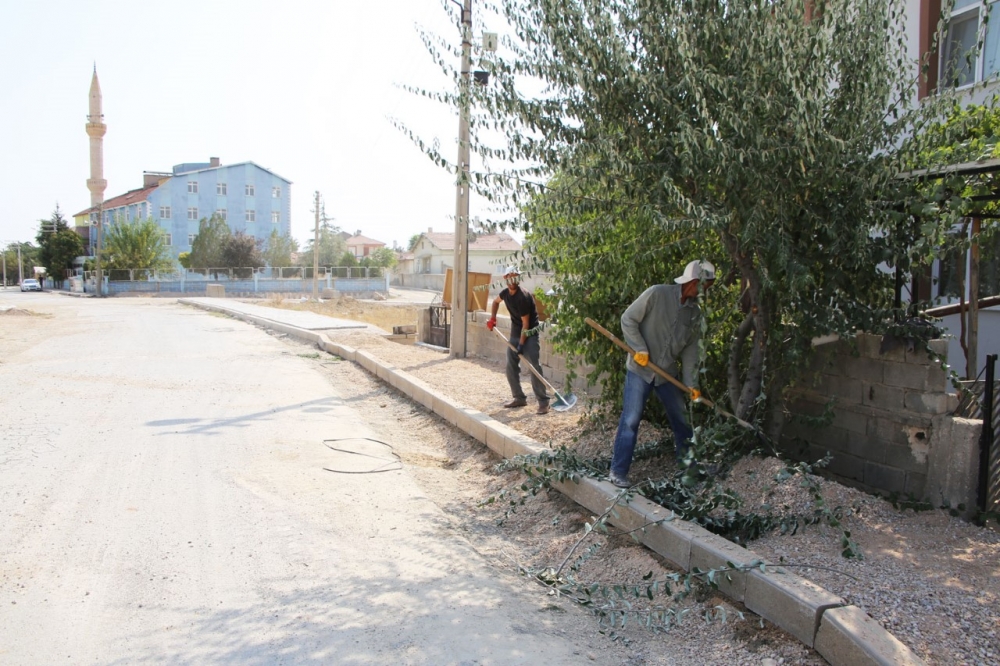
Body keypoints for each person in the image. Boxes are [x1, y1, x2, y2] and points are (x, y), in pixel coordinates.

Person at [609, 260, 716, 488]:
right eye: (705, 286)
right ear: (693, 282)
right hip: (640, 369)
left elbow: (690, 353)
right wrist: (639, 348)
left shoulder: (694, 314)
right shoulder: (657, 294)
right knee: (631, 420)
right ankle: (618, 471)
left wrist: (691, 384)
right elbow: (628, 319)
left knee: (682, 420)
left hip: (666, 374)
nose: (705, 291)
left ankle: (689, 468)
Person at [486, 266, 550, 415]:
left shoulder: (523, 297)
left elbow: (526, 324)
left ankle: (543, 402)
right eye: (510, 276)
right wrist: (493, 318)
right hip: (515, 333)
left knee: (534, 366)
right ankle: (519, 398)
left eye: (516, 276)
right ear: (506, 278)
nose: (513, 280)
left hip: (530, 334)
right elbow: (495, 302)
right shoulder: (505, 293)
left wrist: (521, 345)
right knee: (511, 365)